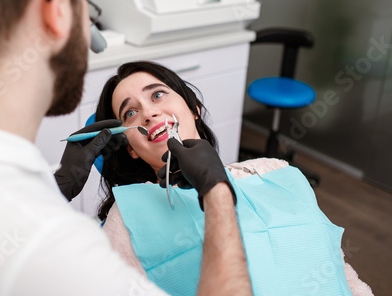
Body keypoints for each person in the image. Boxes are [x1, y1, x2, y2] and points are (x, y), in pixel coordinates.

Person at [0, 0, 252, 295]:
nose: (150, 114)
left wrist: (54, 186)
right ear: (58, 6)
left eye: (159, 94)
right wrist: (218, 195)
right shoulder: (57, 252)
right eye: (87, 4)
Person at [94, 61, 372, 296]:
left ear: (193, 108)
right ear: (130, 147)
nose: (149, 113)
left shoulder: (274, 170)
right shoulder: (127, 217)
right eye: (130, 112)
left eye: (157, 95)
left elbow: (337, 267)